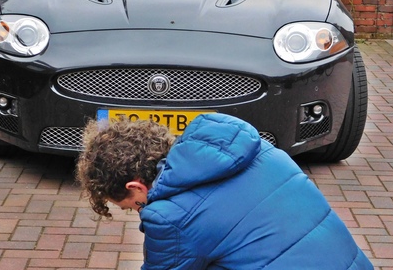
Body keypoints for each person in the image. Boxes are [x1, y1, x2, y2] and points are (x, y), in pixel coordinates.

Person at [76, 113, 374, 269]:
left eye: (132, 205)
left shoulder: (170, 218)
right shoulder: (258, 153)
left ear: (136, 186)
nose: (140, 212)